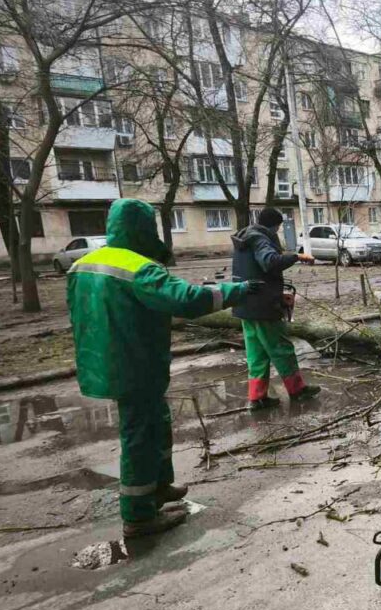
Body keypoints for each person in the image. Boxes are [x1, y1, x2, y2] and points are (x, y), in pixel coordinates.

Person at [67, 199, 255, 538]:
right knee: (140, 435)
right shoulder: (138, 267)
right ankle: (139, 516)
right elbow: (187, 299)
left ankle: (159, 487)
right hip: (135, 362)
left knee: (156, 421)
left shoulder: (83, 265)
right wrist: (237, 291)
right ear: (143, 228)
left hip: (102, 360)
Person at [230, 207, 321, 411]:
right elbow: (269, 262)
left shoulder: (244, 238)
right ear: (274, 225)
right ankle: (297, 390)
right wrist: (295, 257)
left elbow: (253, 271)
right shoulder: (260, 239)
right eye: (278, 227)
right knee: (281, 348)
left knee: (257, 354)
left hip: (245, 304)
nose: (278, 231)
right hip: (263, 307)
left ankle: (257, 398)